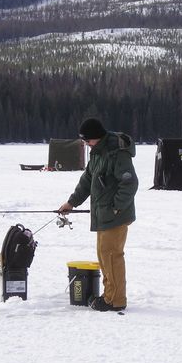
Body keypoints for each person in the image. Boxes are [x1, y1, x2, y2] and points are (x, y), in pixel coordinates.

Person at [59, 117, 138, 312]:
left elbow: (130, 183)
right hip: (103, 215)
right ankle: (109, 295)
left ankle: (115, 300)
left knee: (112, 256)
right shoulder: (97, 153)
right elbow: (87, 180)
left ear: (97, 137)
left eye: (87, 140)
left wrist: (116, 208)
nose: (86, 144)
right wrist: (72, 202)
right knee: (105, 256)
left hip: (114, 216)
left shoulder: (116, 153)